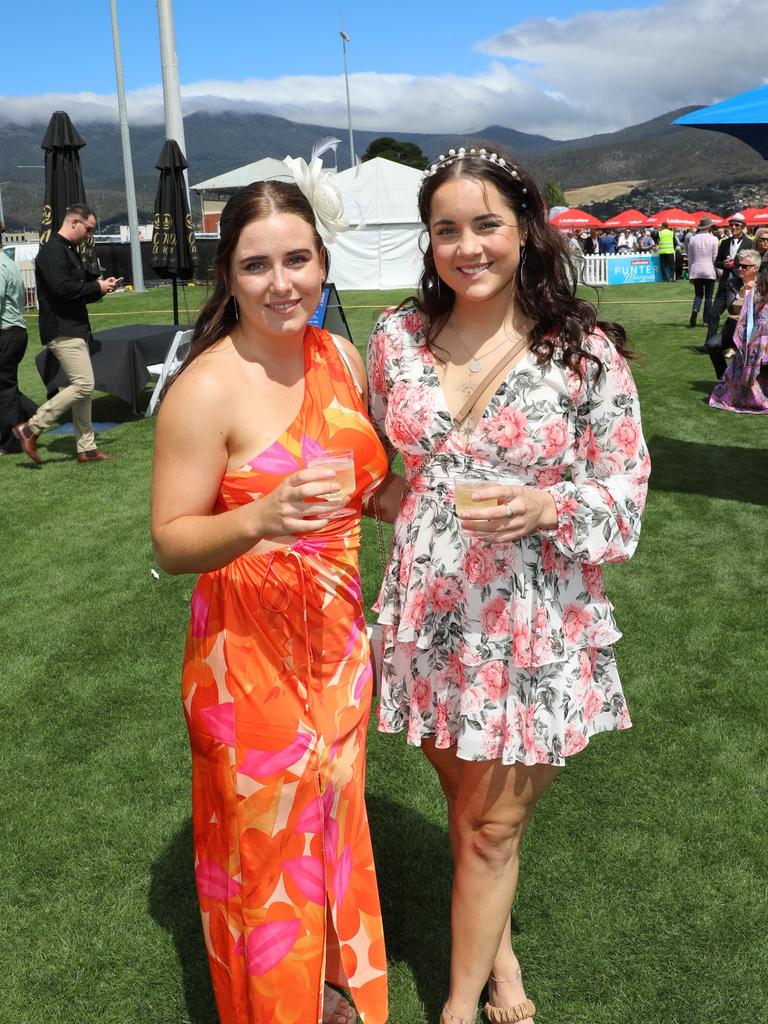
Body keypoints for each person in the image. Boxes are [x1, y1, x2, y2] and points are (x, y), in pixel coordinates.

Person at [367, 146, 650, 1024]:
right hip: (428, 614)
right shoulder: (396, 340)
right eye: (446, 228)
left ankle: (459, 1003)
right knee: (467, 813)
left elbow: (625, 490)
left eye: (486, 224)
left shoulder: (584, 355)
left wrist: (544, 505)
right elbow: (386, 462)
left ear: (525, 228)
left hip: (532, 620)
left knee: (493, 827)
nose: (468, 246)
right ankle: (502, 961)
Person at [150, 168, 389, 1024]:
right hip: (246, 664)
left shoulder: (343, 358)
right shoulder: (205, 388)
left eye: (298, 259)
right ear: (229, 276)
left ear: (324, 262)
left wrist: (423, 489)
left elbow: (366, 487)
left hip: (338, 648)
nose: (282, 283)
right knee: (267, 860)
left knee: (331, 835)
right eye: (257, 265)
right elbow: (171, 540)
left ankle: (336, 996)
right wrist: (259, 515)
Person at [12, 204, 120, 465]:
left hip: (74, 327)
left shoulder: (67, 251)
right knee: (84, 384)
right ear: (74, 222)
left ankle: (87, 448)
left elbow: (75, 291)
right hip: (62, 329)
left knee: (83, 390)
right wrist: (95, 287)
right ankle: (31, 428)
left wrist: (100, 288)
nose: (89, 234)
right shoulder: (52, 252)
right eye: (88, 229)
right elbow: (62, 289)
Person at [709, 249, 768, 412]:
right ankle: (725, 381)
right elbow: (732, 308)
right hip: (736, 328)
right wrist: (744, 293)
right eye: (738, 266)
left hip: (760, 331)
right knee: (712, 345)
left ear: (756, 267)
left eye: (744, 266)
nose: (740, 269)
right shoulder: (732, 283)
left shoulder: (764, 281)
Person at [0, 244, 37, 455]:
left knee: (4, 389)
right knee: (7, 385)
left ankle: (10, 443)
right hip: (15, 332)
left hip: (7, 333)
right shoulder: (7, 262)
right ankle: (34, 414)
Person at [706, 213, 751, 342]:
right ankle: (709, 344)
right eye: (731, 225)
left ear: (743, 226)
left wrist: (735, 265)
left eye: (737, 225)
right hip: (725, 283)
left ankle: (738, 344)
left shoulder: (750, 243)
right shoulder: (725, 242)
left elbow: (752, 263)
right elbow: (717, 262)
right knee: (713, 314)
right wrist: (724, 264)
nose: (733, 227)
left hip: (739, 284)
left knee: (739, 315)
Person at [686, 217, 718, 327]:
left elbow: (690, 257)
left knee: (698, 294)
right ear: (709, 227)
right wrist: (718, 272)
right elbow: (715, 257)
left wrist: (690, 273)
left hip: (696, 269)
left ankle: (695, 309)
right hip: (709, 269)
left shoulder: (693, 239)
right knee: (709, 297)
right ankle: (706, 320)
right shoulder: (714, 239)